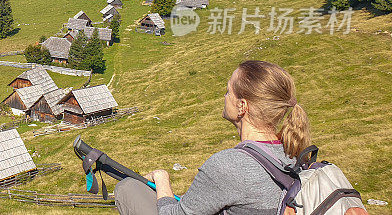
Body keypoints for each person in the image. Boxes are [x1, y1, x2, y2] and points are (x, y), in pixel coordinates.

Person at [114, 60, 312, 215]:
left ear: (242, 106)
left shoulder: (228, 165)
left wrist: (162, 179)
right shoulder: (294, 157)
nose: (225, 97)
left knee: (128, 188)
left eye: (228, 91)